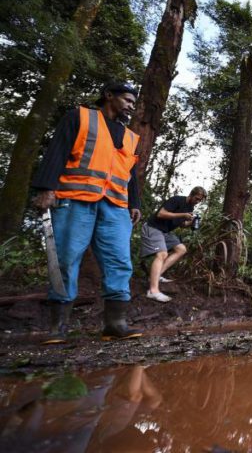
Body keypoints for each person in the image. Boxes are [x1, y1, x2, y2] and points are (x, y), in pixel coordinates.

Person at [32, 81, 144, 344]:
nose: (131, 106)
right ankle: (58, 327)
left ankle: (115, 324)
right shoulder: (79, 117)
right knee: (65, 258)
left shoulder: (129, 136)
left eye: (133, 102)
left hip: (116, 206)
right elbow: (57, 150)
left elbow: (131, 174)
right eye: (127, 100)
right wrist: (47, 188)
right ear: (108, 96)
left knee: (119, 261)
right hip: (75, 199)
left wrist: (135, 202)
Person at [140, 187, 207, 302]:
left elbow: (182, 224)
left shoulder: (190, 207)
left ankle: (156, 276)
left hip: (164, 232)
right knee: (162, 254)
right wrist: (182, 215)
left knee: (181, 249)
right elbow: (160, 214)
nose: (197, 202)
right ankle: (153, 291)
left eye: (200, 200)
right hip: (153, 227)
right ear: (191, 194)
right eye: (197, 198)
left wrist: (190, 223)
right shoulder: (177, 200)